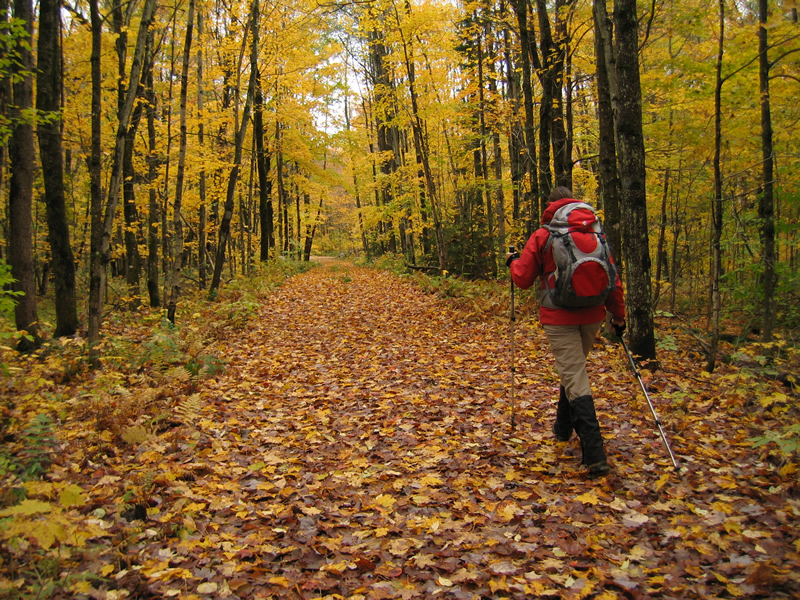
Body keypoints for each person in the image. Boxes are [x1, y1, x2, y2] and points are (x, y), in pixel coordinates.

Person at [506, 186, 625, 478]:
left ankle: (595, 456)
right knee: (573, 371)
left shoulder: (544, 235)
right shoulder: (596, 234)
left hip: (559, 317)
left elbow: (522, 278)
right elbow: (612, 277)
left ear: (551, 205)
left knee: (574, 376)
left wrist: (511, 261)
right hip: (593, 313)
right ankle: (562, 428)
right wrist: (618, 316)